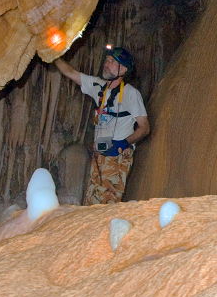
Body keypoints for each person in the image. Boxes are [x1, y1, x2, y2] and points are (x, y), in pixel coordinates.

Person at [53, 46, 150, 204]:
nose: (106, 63)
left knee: (108, 201)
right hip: (100, 151)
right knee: (92, 200)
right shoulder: (98, 86)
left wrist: (123, 143)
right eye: (107, 60)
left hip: (116, 154)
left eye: (112, 61)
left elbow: (144, 127)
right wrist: (53, 55)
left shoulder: (131, 94)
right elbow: (71, 73)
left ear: (123, 69)